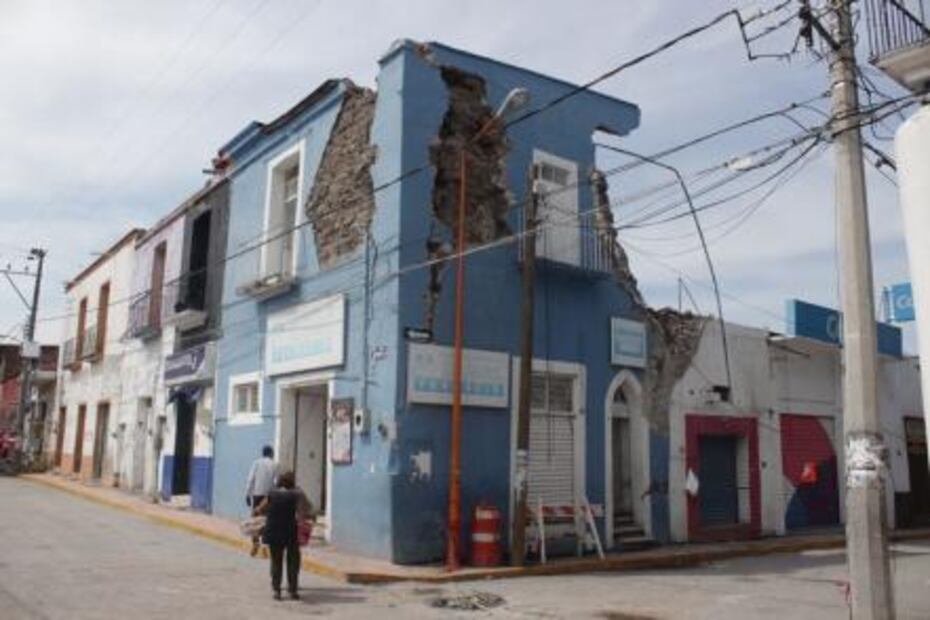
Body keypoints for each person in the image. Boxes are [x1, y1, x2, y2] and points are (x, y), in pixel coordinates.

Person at [255, 471, 312, 600]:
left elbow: (260, 509)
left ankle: (277, 590)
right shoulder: (297, 494)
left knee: (276, 561)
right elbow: (304, 511)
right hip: (290, 532)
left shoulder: (272, 493)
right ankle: (292, 590)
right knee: (293, 562)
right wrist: (306, 519)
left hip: (273, 531)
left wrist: (257, 512)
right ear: (293, 482)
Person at [244, 445, 277, 556]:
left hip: (257, 495)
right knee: (267, 520)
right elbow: (276, 482)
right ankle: (265, 545)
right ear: (271, 453)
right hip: (269, 497)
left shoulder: (256, 463)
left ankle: (255, 543)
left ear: (263, 453)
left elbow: (251, 479)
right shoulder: (275, 464)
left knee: (255, 520)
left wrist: (247, 494)